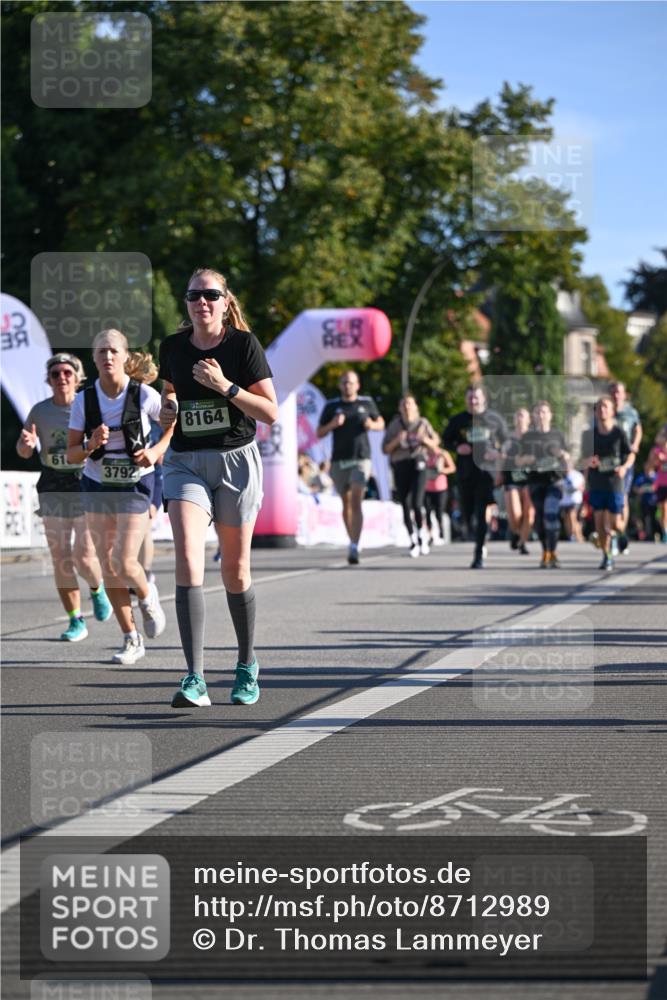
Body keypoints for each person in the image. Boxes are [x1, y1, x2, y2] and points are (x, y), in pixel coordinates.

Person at [159, 266, 277, 709]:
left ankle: (246, 663)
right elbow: (171, 391)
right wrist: (168, 409)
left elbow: (269, 412)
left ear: (225, 302)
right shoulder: (172, 346)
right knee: (189, 557)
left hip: (235, 461)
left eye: (210, 295)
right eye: (193, 296)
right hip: (185, 462)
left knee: (235, 570)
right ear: (186, 304)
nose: (201, 302)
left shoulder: (243, 346)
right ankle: (195, 677)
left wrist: (225, 386)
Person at [67, 329, 170, 663]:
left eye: (113, 351)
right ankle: (131, 637)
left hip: (136, 482)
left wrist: (154, 451)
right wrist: (90, 444)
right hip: (97, 483)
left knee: (124, 560)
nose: (107, 357)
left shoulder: (143, 395)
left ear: (126, 356)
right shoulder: (84, 400)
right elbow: (71, 454)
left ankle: (147, 594)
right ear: (93, 359)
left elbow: (173, 424)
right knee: (108, 563)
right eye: (101, 352)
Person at [16, 353, 111, 641]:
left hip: (85, 479)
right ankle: (75, 620)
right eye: (55, 374)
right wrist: (26, 444)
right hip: (53, 481)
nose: (61, 378)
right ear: (49, 380)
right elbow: (23, 451)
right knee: (60, 558)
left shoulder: (89, 407)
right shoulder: (39, 411)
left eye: (67, 373)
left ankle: (97, 589)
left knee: (83, 556)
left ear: (77, 377)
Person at [316, 370, 384, 565]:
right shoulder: (332, 406)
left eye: (351, 382)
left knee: (356, 500)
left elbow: (381, 423)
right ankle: (353, 538)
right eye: (345, 382)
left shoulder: (366, 403)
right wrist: (333, 424)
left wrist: (372, 424)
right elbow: (319, 432)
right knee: (345, 504)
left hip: (361, 458)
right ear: (340, 385)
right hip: (339, 460)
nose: (348, 386)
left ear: (358, 385)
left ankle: (354, 545)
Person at [442, 384, 507, 568]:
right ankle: (477, 536)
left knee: (480, 513)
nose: (473, 401)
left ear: (483, 399)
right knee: (467, 515)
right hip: (465, 473)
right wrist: (457, 448)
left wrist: (497, 453)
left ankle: (478, 555)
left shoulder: (494, 420)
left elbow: (508, 443)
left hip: (486, 473)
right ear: (466, 400)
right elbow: (446, 440)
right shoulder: (458, 420)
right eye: (470, 398)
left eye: (476, 397)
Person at [125, 351, 164, 597]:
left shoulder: (151, 403)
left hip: (151, 476)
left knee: (145, 527)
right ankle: (131, 572)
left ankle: (145, 571)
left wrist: (156, 451)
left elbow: (162, 454)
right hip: (122, 477)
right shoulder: (115, 401)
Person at [580, 395, 634, 571]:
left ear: (612, 411)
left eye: (605, 407)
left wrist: (624, 467)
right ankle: (607, 556)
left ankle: (621, 534)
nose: (602, 410)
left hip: (614, 482)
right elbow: (584, 460)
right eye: (599, 407)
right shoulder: (589, 435)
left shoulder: (619, 433)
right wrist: (588, 467)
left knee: (614, 523)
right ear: (595, 412)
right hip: (597, 482)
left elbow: (631, 454)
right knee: (599, 525)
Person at [382, 395, 440, 557]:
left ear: (415, 407)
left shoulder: (423, 423)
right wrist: (396, 441)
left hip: (419, 464)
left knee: (417, 501)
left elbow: (436, 443)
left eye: (410, 404)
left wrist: (425, 440)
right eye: (404, 405)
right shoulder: (395, 426)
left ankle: (423, 534)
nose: (407, 408)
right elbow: (385, 449)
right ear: (400, 408)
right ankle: (413, 539)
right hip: (400, 464)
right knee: (405, 503)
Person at [517, 401, 569, 568]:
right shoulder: (528, 437)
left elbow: (567, 456)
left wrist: (563, 456)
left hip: (555, 481)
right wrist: (527, 459)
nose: (541, 415)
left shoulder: (558, 435)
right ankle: (546, 552)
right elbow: (517, 460)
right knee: (540, 518)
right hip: (536, 482)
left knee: (551, 513)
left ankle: (553, 551)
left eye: (544, 412)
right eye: (538, 412)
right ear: (533, 416)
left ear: (550, 415)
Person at [610, 381, 642, 552]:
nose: (616, 395)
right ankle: (615, 536)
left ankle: (621, 534)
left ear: (624, 394)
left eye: (619, 392)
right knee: (610, 499)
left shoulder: (630, 412)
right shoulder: (605, 410)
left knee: (622, 498)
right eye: (613, 392)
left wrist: (635, 445)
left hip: (625, 459)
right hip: (608, 460)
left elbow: (638, 429)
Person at [498, 406, 534, 555]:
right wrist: (499, 474)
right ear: (514, 419)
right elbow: (502, 457)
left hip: (530, 479)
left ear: (529, 419)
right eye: (517, 415)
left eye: (523, 415)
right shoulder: (508, 439)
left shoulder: (534, 438)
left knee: (529, 513)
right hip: (511, 478)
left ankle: (522, 542)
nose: (520, 418)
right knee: (515, 514)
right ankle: (515, 532)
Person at [424, 444, 456, 547]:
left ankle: (440, 533)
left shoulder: (442, 454)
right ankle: (429, 535)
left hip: (440, 487)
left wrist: (442, 470)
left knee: (439, 512)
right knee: (427, 511)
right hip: (427, 488)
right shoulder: (424, 454)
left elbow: (452, 468)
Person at [644, 426, 667, 543]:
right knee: (663, 509)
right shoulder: (656, 450)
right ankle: (665, 532)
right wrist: (656, 460)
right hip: (661, 484)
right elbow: (648, 468)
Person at [560, 460, 585, 542]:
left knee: (572, 517)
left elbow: (579, 487)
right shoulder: (560, 475)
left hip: (575, 500)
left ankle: (578, 536)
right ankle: (570, 535)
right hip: (564, 501)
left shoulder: (576, 475)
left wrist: (569, 489)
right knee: (567, 519)